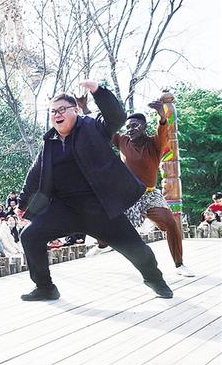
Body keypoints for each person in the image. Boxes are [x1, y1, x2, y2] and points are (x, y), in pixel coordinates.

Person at [17, 80, 173, 301]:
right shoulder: (49, 142)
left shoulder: (92, 127)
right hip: (65, 209)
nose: (57, 115)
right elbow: (35, 174)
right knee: (30, 235)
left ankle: (155, 279)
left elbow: (117, 117)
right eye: (53, 111)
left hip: (101, 207)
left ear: (75, 110)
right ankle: (45, 288)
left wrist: (98, 91)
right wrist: (23, 204)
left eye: (62, 109)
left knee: (136, 249)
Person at [79, 95, 195, 277]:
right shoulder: (122, 141)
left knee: (170, 223)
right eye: (128, 127)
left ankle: (179, 265)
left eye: (134, 126)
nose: (130, 129)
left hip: (149, 195)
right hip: (126, 195)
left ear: (144, 127)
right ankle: (102, 245)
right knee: (102, 218)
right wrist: (86, 109)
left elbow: (163, 131)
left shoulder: (154, 144)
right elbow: (102, 127)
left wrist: (162, 116)